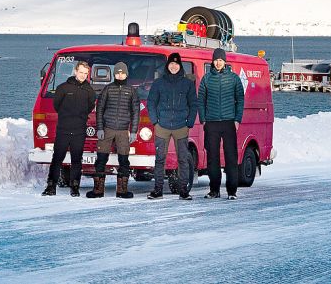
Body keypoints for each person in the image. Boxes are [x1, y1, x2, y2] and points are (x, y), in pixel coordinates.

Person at [146, 52, 197, 200]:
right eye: (171, 64)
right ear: (167, 65)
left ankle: (183, 191)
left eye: (176, 64)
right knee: (160, 158)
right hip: (162, 125)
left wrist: (190, 122)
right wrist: (155, 121)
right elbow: (151, 102)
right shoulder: (159, 83)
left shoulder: (187, 83)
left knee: (183, 159)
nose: (173, 66)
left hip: (181, 125)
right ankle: (158, 190)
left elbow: (194, 103)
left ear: (179, 65)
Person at [42, 60, 96, 197]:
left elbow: (90, 107)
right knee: (57, 158)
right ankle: (50, 186)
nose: (83, 75)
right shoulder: (63, 88)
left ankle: (75, 187)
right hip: (63, 129)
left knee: (76, 160)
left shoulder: (89, 91)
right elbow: (57, 105)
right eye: (81, 72)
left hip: (79, 130)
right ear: (75, 71)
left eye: (86, 73)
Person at [86, 61, 140, 199]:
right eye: (117, 72)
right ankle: (98, 190)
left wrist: (133, 131)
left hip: (123, 131)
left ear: (126, 74)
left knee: (124, 161)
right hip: (107, 129)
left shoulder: (132, 91)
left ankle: (122, 191)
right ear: (114, 74)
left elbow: (135, 112)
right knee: (101, 159)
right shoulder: (108, 89)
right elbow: (99, 110)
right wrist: (99, 128)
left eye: (122, 72)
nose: (120, 75)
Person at [198, 47, 245, 200]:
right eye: (216, 60)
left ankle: (232, 191)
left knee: (231, 157)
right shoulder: (206, 79)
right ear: (212, 61)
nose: (218, 63)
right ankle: (214, 190)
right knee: (212, 157)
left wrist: (237, 120)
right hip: (211, 123)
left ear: (225, 61)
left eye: (220, 60)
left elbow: (240, 100)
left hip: (229, 122)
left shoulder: (234, 78)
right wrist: (203, 119)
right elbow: (201, 100)